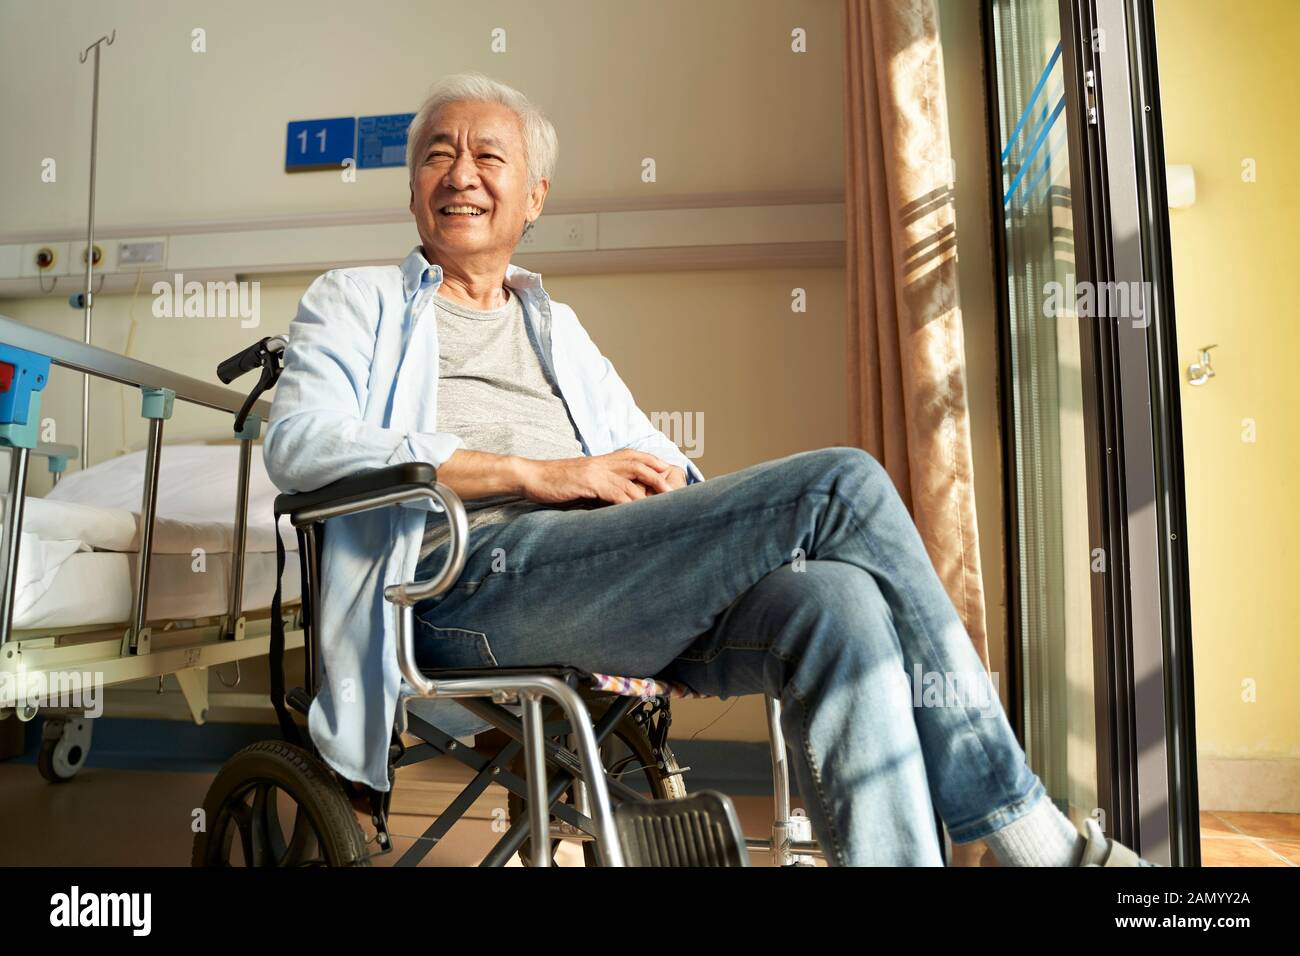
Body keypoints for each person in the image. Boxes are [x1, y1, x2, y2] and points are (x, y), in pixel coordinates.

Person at [264, 72, 1153, 866]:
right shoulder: (357, 300)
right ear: (414, 186)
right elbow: (300, 443)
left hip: (607, 578)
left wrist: (717, 533)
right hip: (461, 585)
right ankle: (1027, 833)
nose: (459, 174)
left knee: (834, 602)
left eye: (487, 156)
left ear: (533, 197)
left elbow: (654, 456)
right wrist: (531, 473)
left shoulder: (554, 326)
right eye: (436, 156)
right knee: (840, 481)